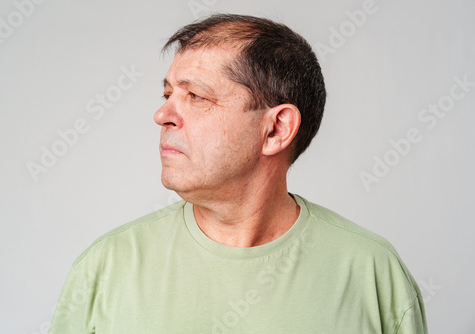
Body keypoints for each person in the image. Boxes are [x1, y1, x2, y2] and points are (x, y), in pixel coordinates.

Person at [49, 14, 428, 333]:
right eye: (167, 95)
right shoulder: (105, 267)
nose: (161, 115)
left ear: (276, 129)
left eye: (195, 96)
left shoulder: (374, 274)